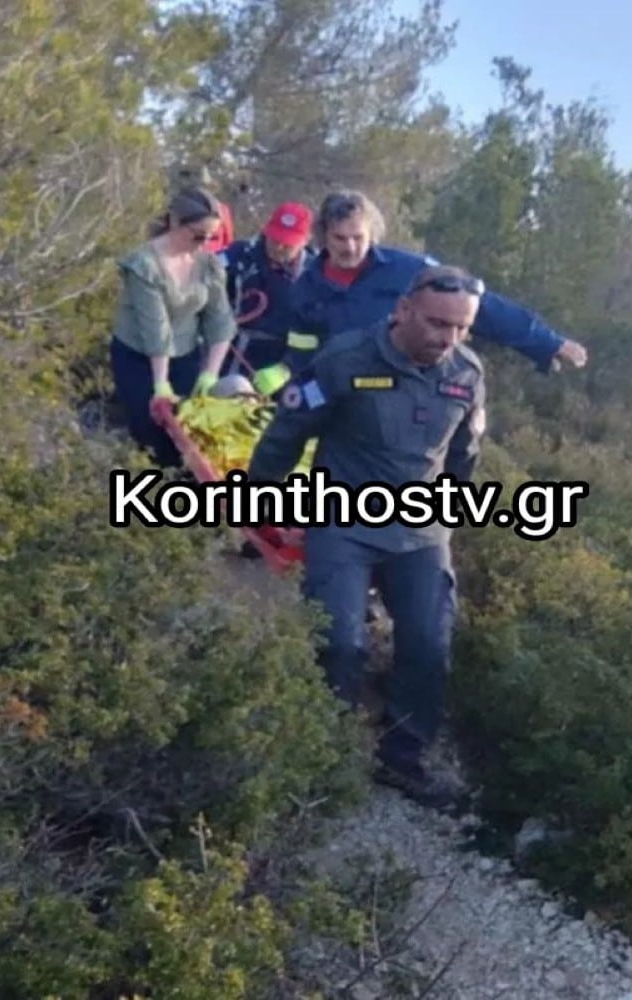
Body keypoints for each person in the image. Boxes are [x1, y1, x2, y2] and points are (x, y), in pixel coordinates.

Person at [246, 264, 490, 810]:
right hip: (342, 520)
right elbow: (286, 433)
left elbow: (463, 456)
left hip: (418, 527)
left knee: (428, 643)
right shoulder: (346, 359)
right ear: (403, 310)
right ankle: (321, 752)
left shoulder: (467, 374)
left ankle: (403, 757)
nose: (447, 338)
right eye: (437, 323)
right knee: (340, 642)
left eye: (461, 328)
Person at [247, 189, 589, 398]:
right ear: (324, 236)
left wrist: (547, 343)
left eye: (358, 237)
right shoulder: (307, 286)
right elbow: (303, 349)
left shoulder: (409, 270)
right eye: (340, 238)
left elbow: (482, 307)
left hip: (404, 394)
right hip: (339, 395)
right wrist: (284, 372)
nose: (350, 247)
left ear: (371, 233)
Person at [109, 186, 237, 468]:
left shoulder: (209, 264)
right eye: (198, 235)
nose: (204, 243)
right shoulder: (145, 265)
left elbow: (220, 320)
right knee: (151, 433)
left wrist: (210, 373)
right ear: (175, 222)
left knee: (189, 433)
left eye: (211, 237)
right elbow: (156, 328)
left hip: (186, 353)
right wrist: (160, 385)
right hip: (139, 357)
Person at [218, 201, 316, 378]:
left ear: (305, 240)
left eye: (288, 244)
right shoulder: (239, 255)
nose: (278, 248)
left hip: (281, 361)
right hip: (229, 352)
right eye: (275, 240)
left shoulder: (316, 273)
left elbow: (317, 332)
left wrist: (286, 369)